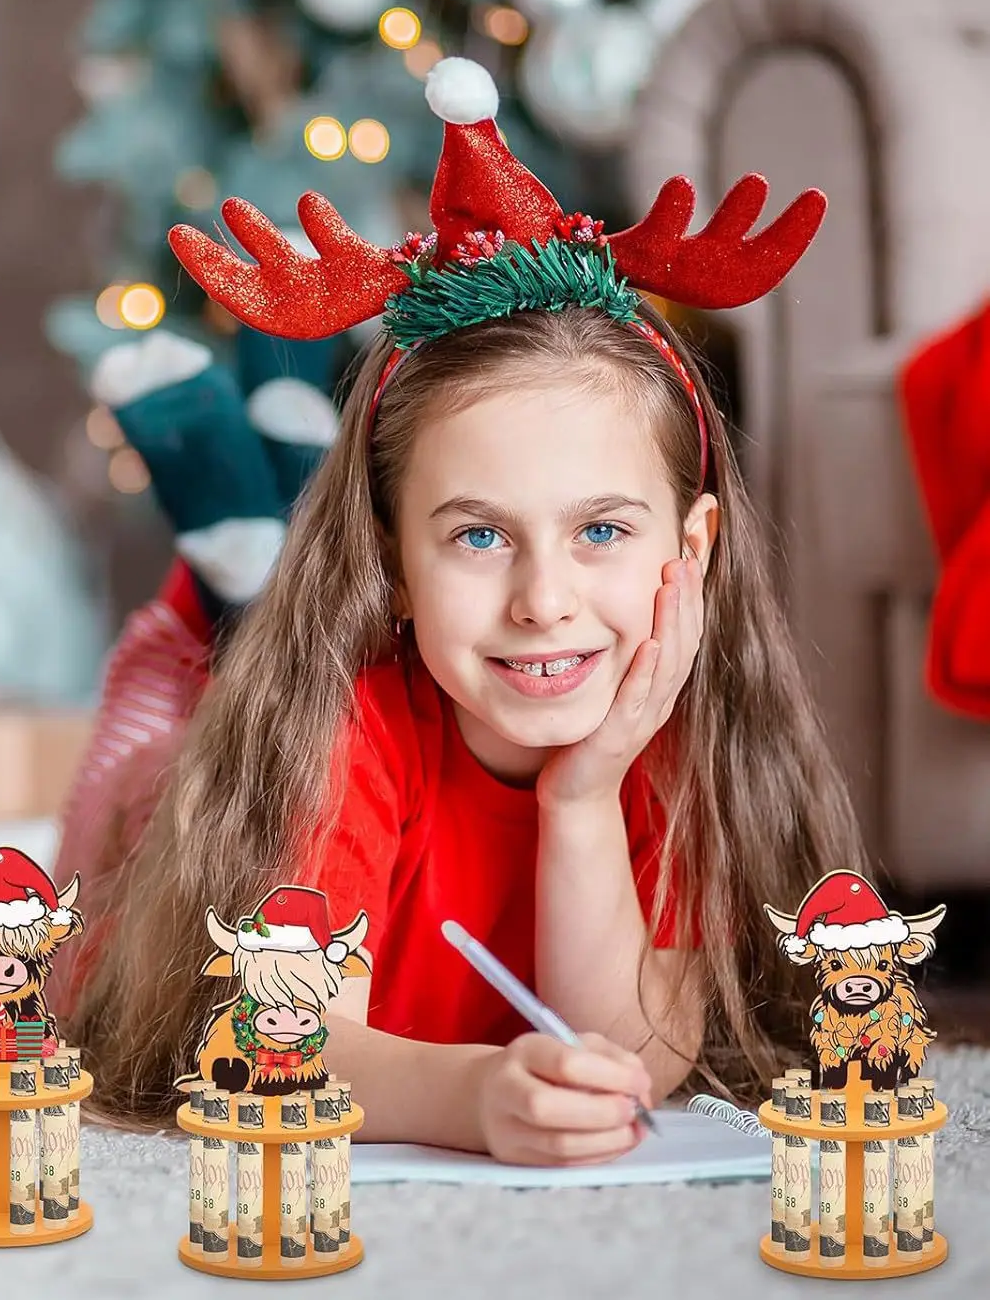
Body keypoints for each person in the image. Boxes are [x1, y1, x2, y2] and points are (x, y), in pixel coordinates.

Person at [62, 57, 868, 1164]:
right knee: (175, 735)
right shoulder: (346, 734)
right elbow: (281, 1032)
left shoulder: (681, 743)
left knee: (254, 616)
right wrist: (470, 1097)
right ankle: (241, 505)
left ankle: (271, 488)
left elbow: (633, 1058)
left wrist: (582, 796)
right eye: (479, 535)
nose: (546, 602)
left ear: (692, 550)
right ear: (390, 560)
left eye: (602, 531)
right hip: (169, 788)